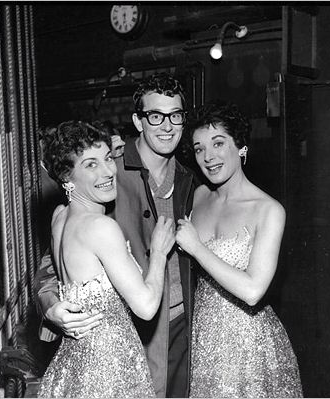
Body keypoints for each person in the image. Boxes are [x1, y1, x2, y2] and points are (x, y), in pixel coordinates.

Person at [35, 73, 197, 397]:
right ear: (138, 121)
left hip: (180, 329)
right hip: (122, 347)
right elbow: (49, 273)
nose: (167, 126)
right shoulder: (108, 180)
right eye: (156, 116)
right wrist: (50, 307)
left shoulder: (193, 179)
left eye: (175, 116)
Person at [175, 102, 303, 398]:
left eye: (218, 143)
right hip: (203, 340)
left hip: (249, 345)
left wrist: (196, 247)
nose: (208, 157)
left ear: (241, 147)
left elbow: (253, 290)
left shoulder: (268, 210)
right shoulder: (199, 196)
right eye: (198, 148)